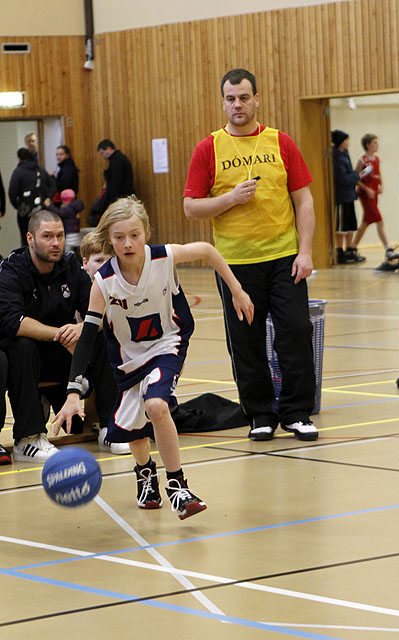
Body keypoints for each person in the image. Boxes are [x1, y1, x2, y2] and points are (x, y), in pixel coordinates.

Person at [53, 195, 253, 519]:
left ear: (146, 231)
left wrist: (237, 290)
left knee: (156, 405)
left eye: (135, 234)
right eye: (119, 237)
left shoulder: (163, 257)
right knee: (134, 429)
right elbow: (88, 338)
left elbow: (207, 250)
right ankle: (145, 473)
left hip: (167, 345)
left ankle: (177, 486)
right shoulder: (103, 282)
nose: (128, 243)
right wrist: (73, 392)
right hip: (127, 360)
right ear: (109, 239)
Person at [184, 68, 318, 442]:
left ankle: (296, 412)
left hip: (284, 258)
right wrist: (230, 199)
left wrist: (305, 252)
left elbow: (304, 200)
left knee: (295, 332)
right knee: (245, 340)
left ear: (257, 99)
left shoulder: (281, 142)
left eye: (244, 97)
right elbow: (191, 208)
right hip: (235, 265)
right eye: (230, 98)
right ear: (222, 101)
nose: (237, 105)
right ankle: (259, 413)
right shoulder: (208, 147)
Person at [0, 209, 117, 462]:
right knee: (21, 346)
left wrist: (81, 329)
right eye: (47, 236)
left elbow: (99, 312)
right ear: (30, 239)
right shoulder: (12, 270)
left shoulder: (71, 266)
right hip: (26, 356)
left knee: (105, 336)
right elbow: (13, 322)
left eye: (60, 236)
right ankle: (28, 438)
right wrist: (61, 334)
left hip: (64, 352)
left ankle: (111, 427)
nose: (55, 243)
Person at [79, 231, 130, 455]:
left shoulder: (119, 289)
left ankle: (113, 426)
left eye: (109, 261)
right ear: (85, 263)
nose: (104, 266)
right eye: (98, 261)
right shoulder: (78, 288)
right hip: (76, 361)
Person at [351, 134, 398, 263]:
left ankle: (352, 247)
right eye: (374, 142)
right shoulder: (362, 160)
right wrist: (367, 189)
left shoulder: (376, 159)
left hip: (374, 194)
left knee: (366, 222)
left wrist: (381, 185)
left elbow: (378, 174)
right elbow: (356, 178)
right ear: (368, 144)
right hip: (366, 194)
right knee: (379, 220)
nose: (377, 145)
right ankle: (388, 249)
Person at [331, 129, 366, 264]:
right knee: (341, 226)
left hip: (349, 194)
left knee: (351, 224)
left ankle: (349, 249)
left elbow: (350, 173)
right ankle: (339, 251)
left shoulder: (344, 153)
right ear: (341, 142)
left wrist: (355, 175)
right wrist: (357, 176)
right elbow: (343, 178)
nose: (348, 143)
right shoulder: (336, 156)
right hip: (341, 196)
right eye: (346, 140)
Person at [8, 148, 56, 246]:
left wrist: (18, 206)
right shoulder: (40, 169)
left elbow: (12, 192)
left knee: (26, 238)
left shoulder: (18, 171)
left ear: (19, 158)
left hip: (25, 211)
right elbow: (52, 185)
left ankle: (28, 259)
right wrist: (48, 198)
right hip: (41, 209)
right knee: (42, 237)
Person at [88, 139, 134, 226]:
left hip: (120, 196)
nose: (102, 156)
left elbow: (116, 181)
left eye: (102, 153)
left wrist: (113, 200)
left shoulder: (116, 161)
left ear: (108, 148)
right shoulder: (119, 158)